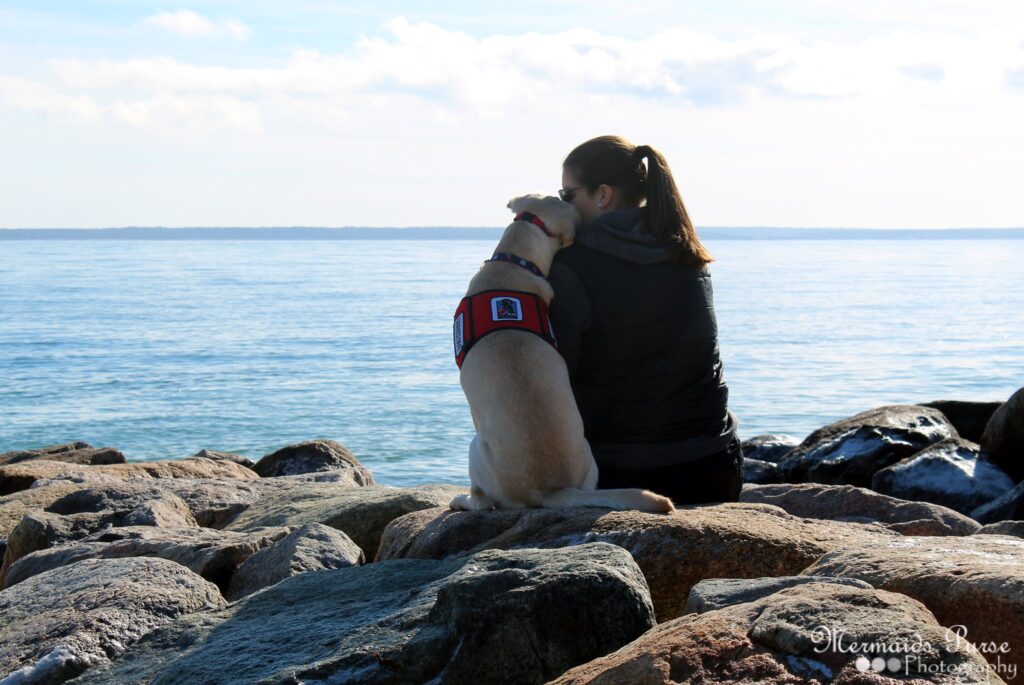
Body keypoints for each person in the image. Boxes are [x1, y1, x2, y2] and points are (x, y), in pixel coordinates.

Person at [548, 135, 742, 505]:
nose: (563, 206)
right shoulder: (689, 255)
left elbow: (557, 385)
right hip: (715, 468)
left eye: (567, 195)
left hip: (624, 480)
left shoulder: (571, 268)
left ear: (602, 195)